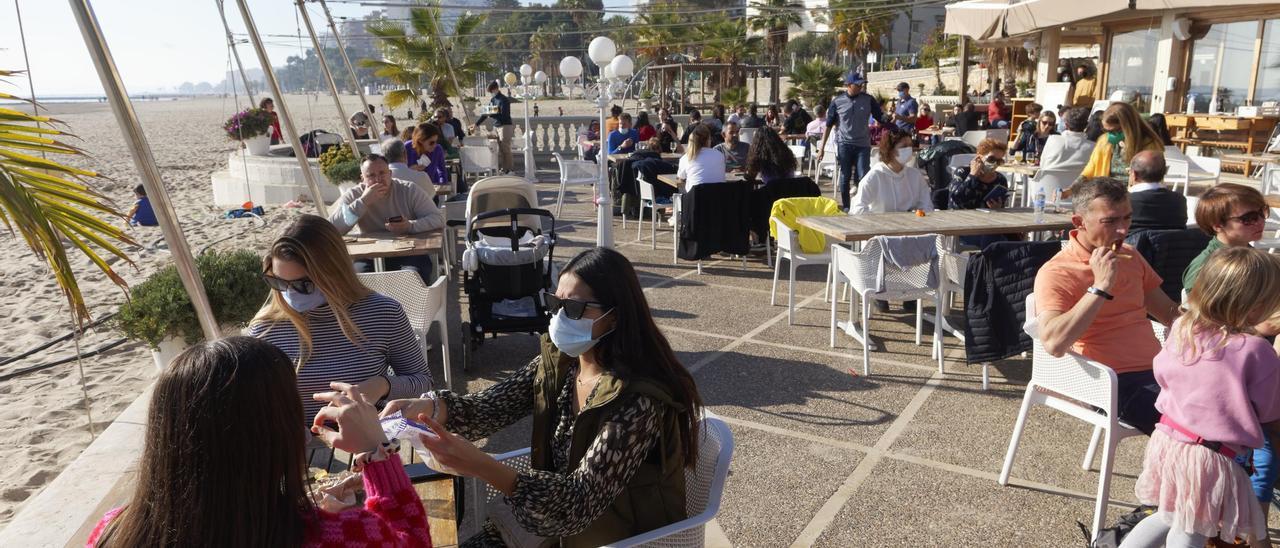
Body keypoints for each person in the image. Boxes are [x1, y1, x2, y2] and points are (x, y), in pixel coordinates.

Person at [380, 247, 704, 547]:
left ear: (615, 317)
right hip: (549, 522)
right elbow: (490, 408)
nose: (560, 318)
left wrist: (483, 465)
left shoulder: (638, 400)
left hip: (613, 538)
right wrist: (431, 406)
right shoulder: (563, 363)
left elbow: (579, 503)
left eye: (574, 308)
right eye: (555, 303)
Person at [84, 337, 430, 547]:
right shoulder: (348, 535)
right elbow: (413, 541)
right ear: (282, 434)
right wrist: (377, 452)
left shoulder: (112, 531)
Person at [1119, 247, 1280, 548]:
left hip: (1170, 440)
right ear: (1257, 305)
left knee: (1170, 514)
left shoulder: (1183, 328)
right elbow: (1270, 412)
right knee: (1193, 528)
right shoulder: (1256, 351)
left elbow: (1162, 373)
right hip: (1212, 455)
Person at [1034, 177, 1182, 435]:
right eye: (1111, 221)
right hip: (1108, 381)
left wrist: (1212, 320)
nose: (1123, 230)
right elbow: (1054, 343)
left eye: (1127, 218)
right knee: (1197, 427)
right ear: (1079, 223)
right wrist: (1100, 287)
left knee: (1240, 404)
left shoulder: (1130, 255)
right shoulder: (1057, 271)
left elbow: (1168, 312)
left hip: (1159, 369)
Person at [250, 213, 434, 422]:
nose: (290, 293)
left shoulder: (384, 313)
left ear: (334, 272)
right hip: (302, 448)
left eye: (304, 284)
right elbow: (256, 404)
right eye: (279, 283)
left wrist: (384, 385)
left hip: (369, 443)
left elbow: (423, 383)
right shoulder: (265, 330)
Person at [327, 154, 444, 282]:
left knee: (412, 277)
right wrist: (363, 202)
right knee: (355, 280)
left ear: (390, 173)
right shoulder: (354, 195)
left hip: (408, 253)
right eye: (371, 175)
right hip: (369, 256)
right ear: (362, 179)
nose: (378, 179)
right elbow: (331, 230)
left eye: (382, 173)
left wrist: (410, 226)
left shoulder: (408, 190)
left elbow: (438, 218)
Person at [818, 71, 887, 210]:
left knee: (864, 175)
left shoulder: (868, 99)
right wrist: (822, 148)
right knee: (845, 175)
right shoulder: (837, 102)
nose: (861, 86)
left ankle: (861, 204)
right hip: (844, 144)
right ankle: (847, 206)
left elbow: (881, 118)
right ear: (849, 85)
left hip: (863, 145)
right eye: (858, 84)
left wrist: (891, 118)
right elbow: (828, 126)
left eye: (862, 84)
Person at [1183, 183, 1271, 292]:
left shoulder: (1254, 256)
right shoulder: (1204, 267)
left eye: (1262, 212)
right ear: (1218, 225)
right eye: (1249, 218)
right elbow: (1195, 307)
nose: (1261, 221)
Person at [849, 127, 932, 215]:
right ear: (891, 150)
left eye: (910, 145)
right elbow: (857, 208)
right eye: (904, 146)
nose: (909, 149)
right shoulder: (875, 176)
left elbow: (927, 205)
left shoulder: (915, 176)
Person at [1080, 102, 1165, 179]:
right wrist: (1074, 187)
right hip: (1106, 191)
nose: (1110, 135)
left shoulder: (1149, 144)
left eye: (1114, 131)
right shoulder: (1104, 140)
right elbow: (1091, 168)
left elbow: (1152, 177)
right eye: (1107, 131)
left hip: (1134, 192)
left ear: (1128, 127)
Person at [1127, 151, 1188, 233]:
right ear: (1165, 172)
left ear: (1134, 174)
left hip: (1133, 245)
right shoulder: (1179, 200)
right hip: (1171, 245)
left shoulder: (1125, 201)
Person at [948, 138, 1009, 210]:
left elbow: (1002, 204)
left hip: (987, 219)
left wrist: (998, 207)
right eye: (991, 159)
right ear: (979, 157)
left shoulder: (1000, 179)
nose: (995, 163)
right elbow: (955, 198)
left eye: (999, 161)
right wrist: (972, 175)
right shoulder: (962, 172)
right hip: (961, 217)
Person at [474, 81, 515, 173]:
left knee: (506, 149)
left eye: (491, 91)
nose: (491, 93)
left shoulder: (503, 100)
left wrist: (492, 114)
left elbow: (504, 115)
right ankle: (504, 169)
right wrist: (476, 124)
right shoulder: (493, 100)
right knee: (500, 150)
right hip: (497, 126)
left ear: (496, 88)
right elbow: (486, 113)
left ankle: (509, 169)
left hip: (505, 126)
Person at [1040, 106, 1095, 172]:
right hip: (1078, 181)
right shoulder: (1093, 147)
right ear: (1086, 126)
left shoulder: (1052, 140)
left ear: (1066, 125)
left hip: (1047, 181)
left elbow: (1042, 165)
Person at [677, 124, 727, 188]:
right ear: (709, 139)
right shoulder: (720, 155)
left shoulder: (686, 158)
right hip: (718, 196)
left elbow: (681, 178)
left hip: (695, 196)